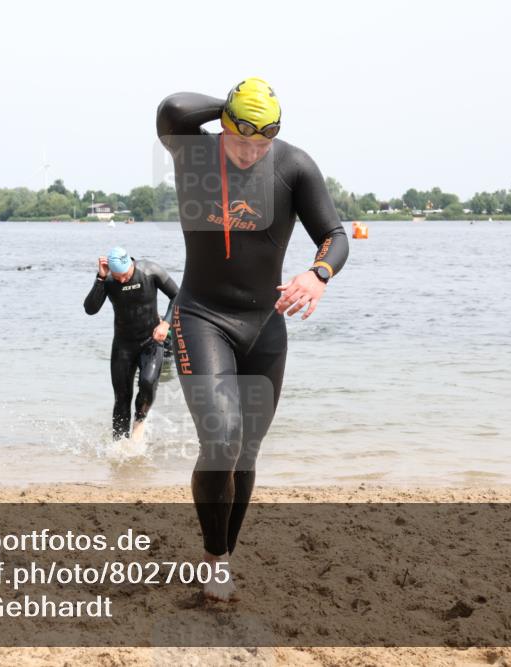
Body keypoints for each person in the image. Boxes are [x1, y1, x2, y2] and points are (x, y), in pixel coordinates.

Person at [157, 78, 349, 601]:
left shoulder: (293, 166)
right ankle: (216, 561)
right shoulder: (192, 150)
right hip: (200, 314)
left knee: (245, 454)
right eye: (242, 139)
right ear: (223, 126)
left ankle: (222, 557)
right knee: (221, 441)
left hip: (264, 325)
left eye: (261, 143)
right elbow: (172, 107)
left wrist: (318, 275)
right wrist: (233, 107)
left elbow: (335, 235)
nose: (250, 152)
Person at [84, 247, 178, 441]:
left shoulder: (150, 271)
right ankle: (119, 447)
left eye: (125, 275)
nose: (122, 280)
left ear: (131, 265)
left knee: (147, 382)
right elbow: (90, 309)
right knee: (121, 398)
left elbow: (178, 296)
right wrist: (100, 278)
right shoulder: (108, 280)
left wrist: (166, 323)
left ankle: (140, 421)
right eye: (117, 276)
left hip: (151, 341)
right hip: (123, 346)